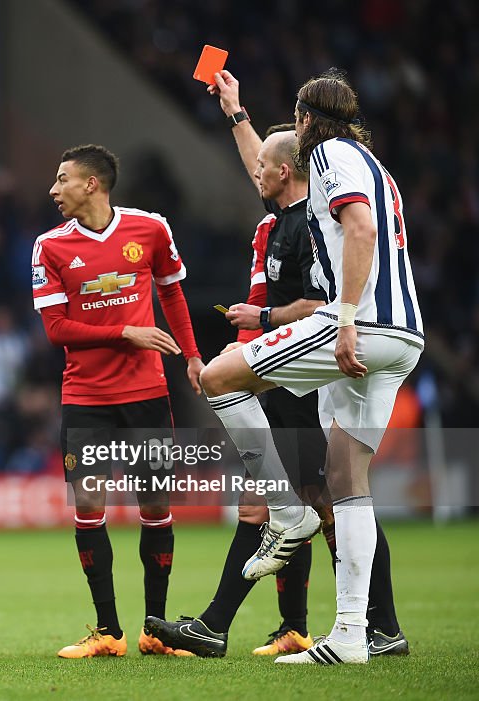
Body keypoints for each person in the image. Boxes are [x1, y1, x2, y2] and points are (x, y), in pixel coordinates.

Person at [145, 71, 409, 658]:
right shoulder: (334, 181)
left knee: (299, 494)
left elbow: (346, 242)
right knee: (340, 489)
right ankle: (359, 631)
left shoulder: (324, 177)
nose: (259, 173)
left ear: (306, 126)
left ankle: (247, 621)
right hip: (375, 339)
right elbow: (268, 165)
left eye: (269, 164)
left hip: (327, 348)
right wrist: (236, 113)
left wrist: (303, 319)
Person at [31, 144, 204, 658]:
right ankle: (108, 632)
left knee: (155, 506)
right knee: (89, 506)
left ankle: (155, 629)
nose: (53, 189)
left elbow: (172, 292)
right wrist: (127, 331)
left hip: (147, 392)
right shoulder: (49, 246)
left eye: (62, 179)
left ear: (93, 184)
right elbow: (57, 329)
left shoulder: (151, 229)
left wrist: (192, 357)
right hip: (85, 394)